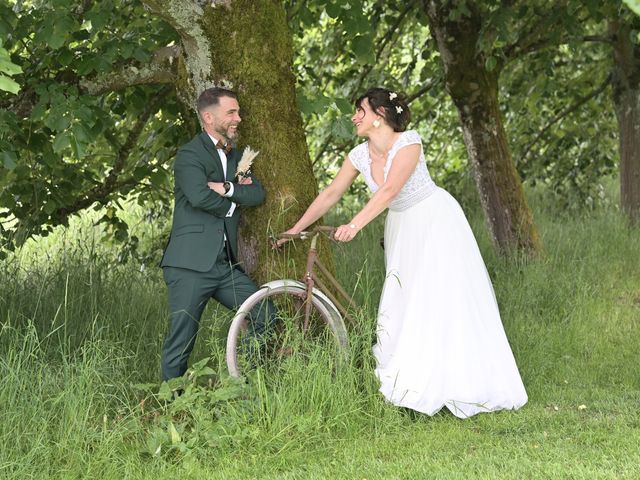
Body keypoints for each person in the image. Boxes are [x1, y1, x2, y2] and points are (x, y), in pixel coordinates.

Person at [283, 87, 527, 418]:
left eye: (361, 110)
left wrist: (354, 225)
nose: (355, 116)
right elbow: (331, 194)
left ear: (381, 115)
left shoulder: (408, 142)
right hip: (401, 227)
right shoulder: (358, 155)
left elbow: (390, 189)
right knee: (407, 298)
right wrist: (295, 229)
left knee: (444, 297)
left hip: (434, 221)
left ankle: (461, 380)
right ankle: (412, 379)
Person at [160, 87, 275, 381]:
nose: (239, 118)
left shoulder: (236, 156)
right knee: (182, 339)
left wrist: (227, 188)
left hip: (224, 266)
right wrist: (233, 203)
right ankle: (173, 403)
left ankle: (243, 381)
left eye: (238, 112)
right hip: (189, 264)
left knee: (264, 313)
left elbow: (257, 194)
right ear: (209, 117)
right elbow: (199, 197)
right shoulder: (189, 155)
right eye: (232, 112)